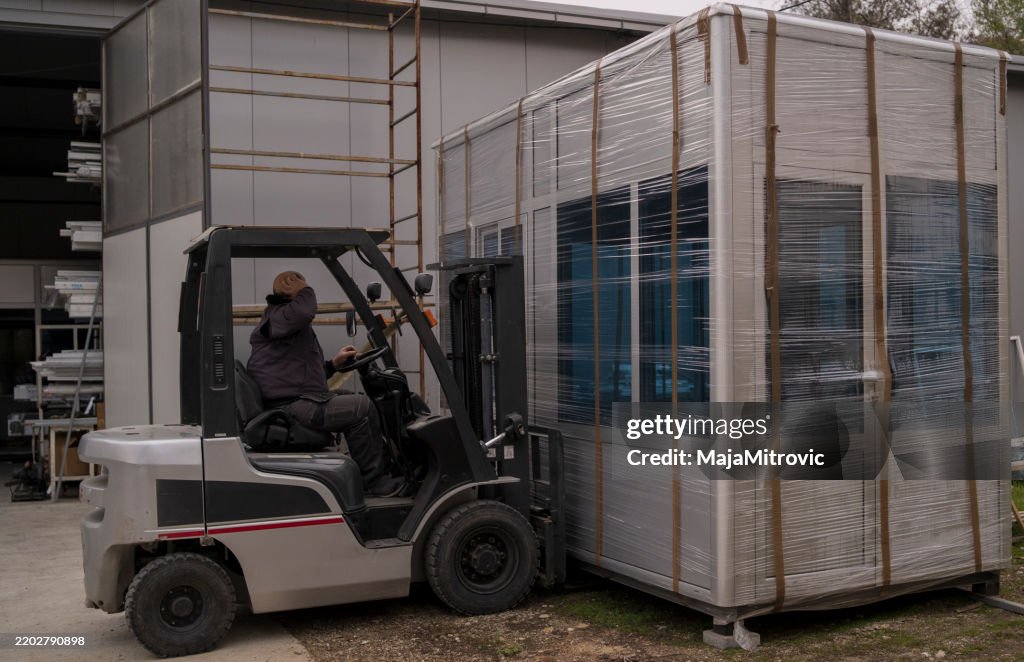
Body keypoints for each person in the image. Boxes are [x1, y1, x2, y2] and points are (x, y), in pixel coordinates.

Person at [246, 271, 404, 497]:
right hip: (288, 406)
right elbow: (305, 311)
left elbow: (299, 373)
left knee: (353, 398)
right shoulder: (280, 316)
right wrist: (304, 289)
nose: (305, 291)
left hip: (295, 399)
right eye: (299, 285)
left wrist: (333, 365)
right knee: (361, 408)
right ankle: (375, 483)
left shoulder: (283, 322)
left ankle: (385, 471)